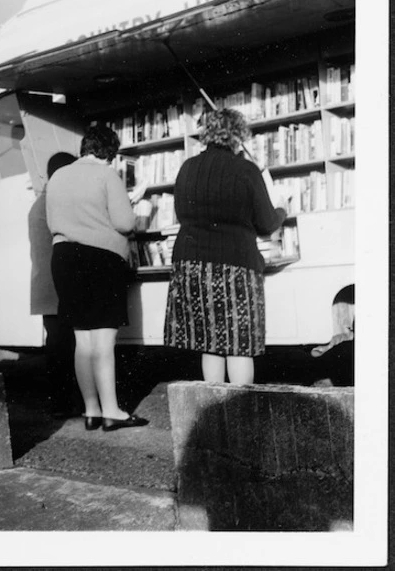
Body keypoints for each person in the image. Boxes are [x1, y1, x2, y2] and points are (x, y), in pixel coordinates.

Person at [164, 108, 287, 385]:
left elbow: (182, 214)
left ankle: (214, 415)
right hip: (235, 267)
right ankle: (240, 415)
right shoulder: (246, 170)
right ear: (238, 136)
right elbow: (267, 223)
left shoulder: (187, 168)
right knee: (239, 344)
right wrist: (282, 209)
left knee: (211, 341)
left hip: (192, 266)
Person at [46, 123, 149, 432]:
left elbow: (55, 220)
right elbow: (124, 222)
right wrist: (138, 205)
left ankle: (90, 410)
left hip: (63, 258)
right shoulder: (107, 175)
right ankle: (112, 412)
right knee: (104, 341)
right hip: (101, 261)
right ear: (110, 153)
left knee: (83, 340)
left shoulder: (58, 176)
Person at [28, 151, 79, 419]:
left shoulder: (42, 202)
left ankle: (62, 402)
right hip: (57, 288)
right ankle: (63, 404)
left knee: (58, 347)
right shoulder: (55, 204)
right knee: (63, 349)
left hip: (47, 288)